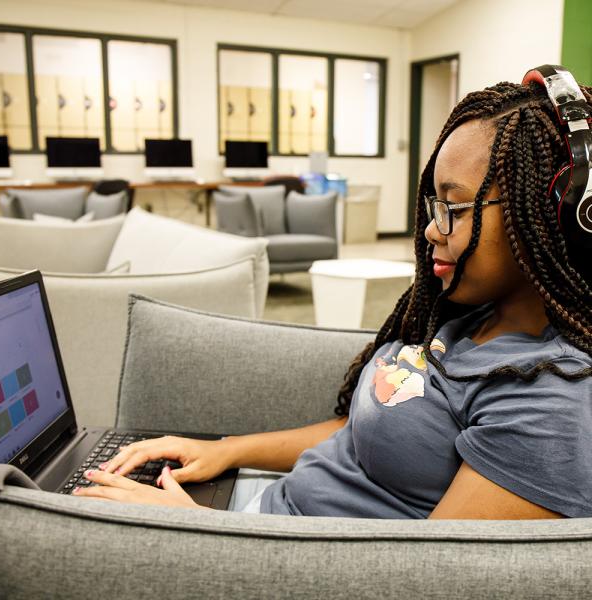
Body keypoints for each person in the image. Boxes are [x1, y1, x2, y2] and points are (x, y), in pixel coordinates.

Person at [75, 69, 592, 519]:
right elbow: (361, 433)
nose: (432, 231)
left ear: (554, 218)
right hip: (258, 512)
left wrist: (193, 531)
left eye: (453, 209)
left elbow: (430, 576)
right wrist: (225, 451)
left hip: (257, 554)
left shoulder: (550, 403)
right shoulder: (467, 318)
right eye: (433, 205)